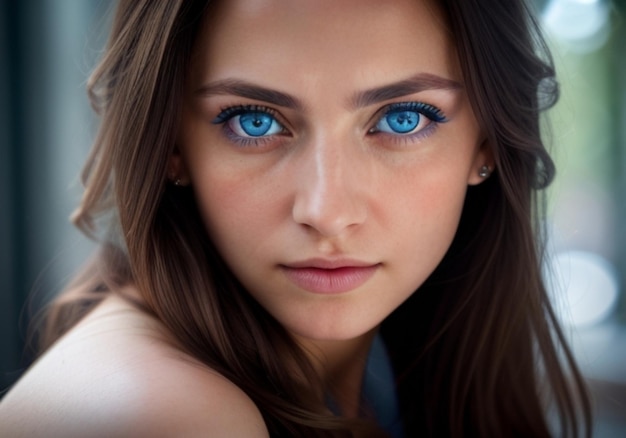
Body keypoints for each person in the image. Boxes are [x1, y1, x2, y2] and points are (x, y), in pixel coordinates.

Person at [0, 0, 592, 436]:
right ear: (170, 145)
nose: (326, 211)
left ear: (486, 143)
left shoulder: (396, 374)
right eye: (253, 121)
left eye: (403, 119)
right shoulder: (166, 414)